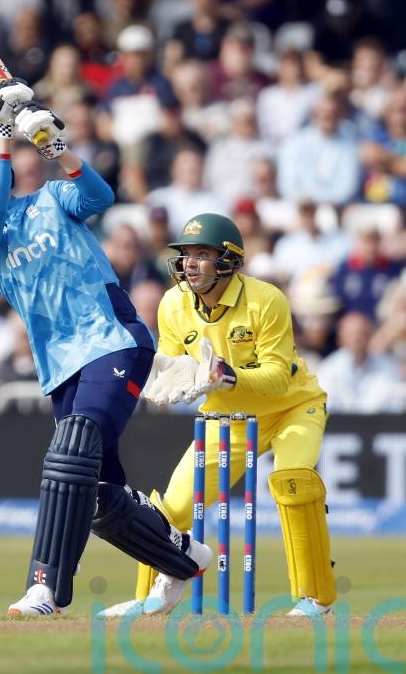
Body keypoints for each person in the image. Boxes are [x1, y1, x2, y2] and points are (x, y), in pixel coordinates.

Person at [0, 77, 212, 616]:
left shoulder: (51, 199)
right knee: (98, 492)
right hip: (60, 367)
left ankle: (47, 588)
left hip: (112, 341)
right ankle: (184, 558)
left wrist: (56, 147)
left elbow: (100, 197)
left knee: (71, 448)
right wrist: (3, 131)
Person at [101, 212, 337, 618]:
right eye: (186, 254)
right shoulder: (173, 304)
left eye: (202, 254)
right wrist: (167, 382)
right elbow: (175, 367)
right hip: (228, 417)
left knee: (294, 482)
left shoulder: (266, 300)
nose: (189, 263)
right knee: (172, 510)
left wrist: (226, 376)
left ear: (228, 261)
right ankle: (150, 596)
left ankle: (315, 597)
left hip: (293, 407)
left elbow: (278, 378)